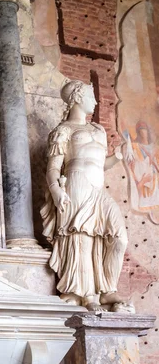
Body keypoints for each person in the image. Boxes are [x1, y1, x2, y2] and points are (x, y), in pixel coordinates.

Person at [41, 80, 130, 311]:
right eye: (92, 96)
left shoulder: (98, 130)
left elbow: (102, 164)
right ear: (78, 98)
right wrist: (56, 190)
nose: (96, 100)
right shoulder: (63, 131)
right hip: (76, 186)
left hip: (98, 189)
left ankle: (108, 289)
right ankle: (87, 294)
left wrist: (118, 156)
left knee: (119, 238)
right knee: (81, 240)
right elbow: (52, 168)